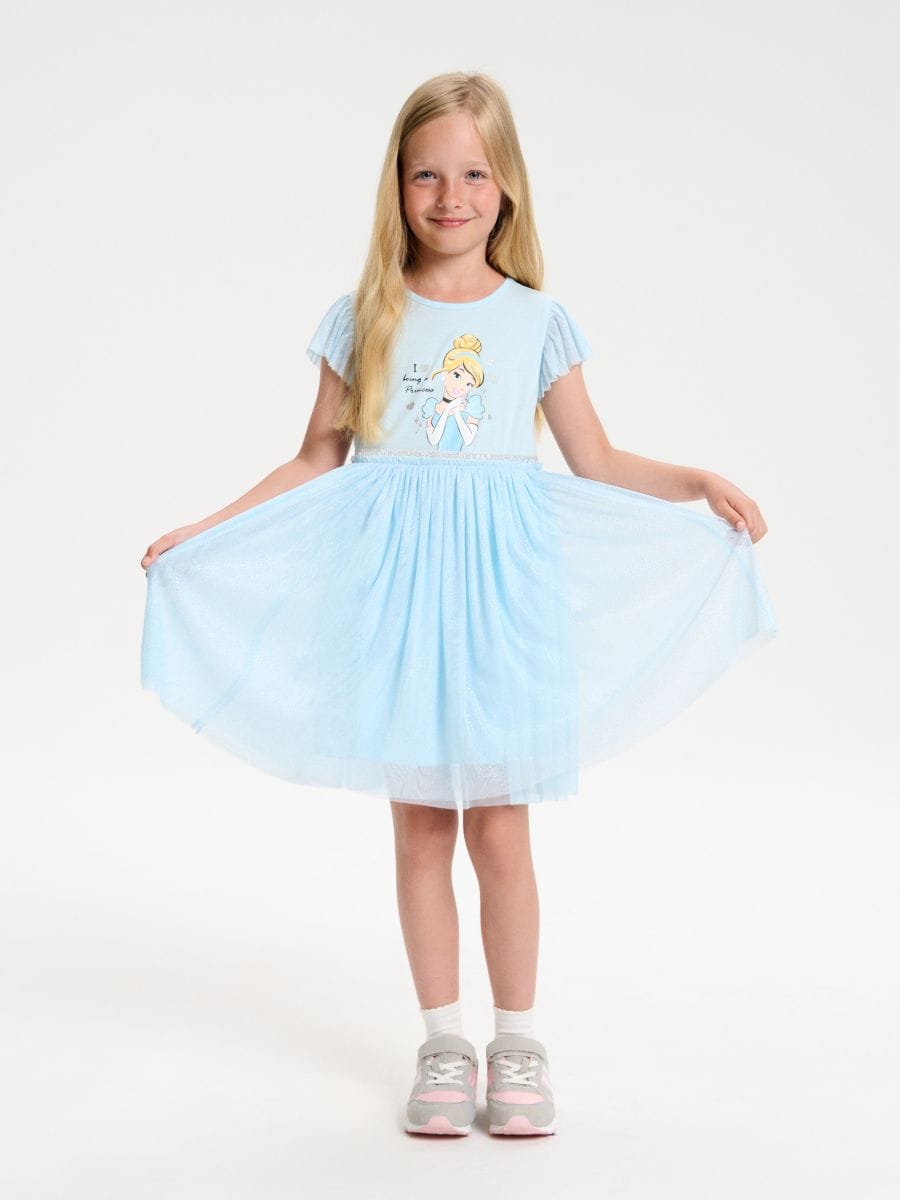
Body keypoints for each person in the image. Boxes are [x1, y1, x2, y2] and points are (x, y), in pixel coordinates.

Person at [139, 72, 778, 1137]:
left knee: (502, 830)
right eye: (427, 175)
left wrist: (695, 480)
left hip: (502, 603)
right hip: (396, 604)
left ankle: (517, 1043)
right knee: (422, 830)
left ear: (507, 185)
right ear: (397, 186)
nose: (451, 196)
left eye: (474, 174)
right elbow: (316, 458)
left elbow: (595, 458)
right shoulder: (365, 316)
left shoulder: (537, 319)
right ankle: (443, 1043)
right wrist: (207, 529)